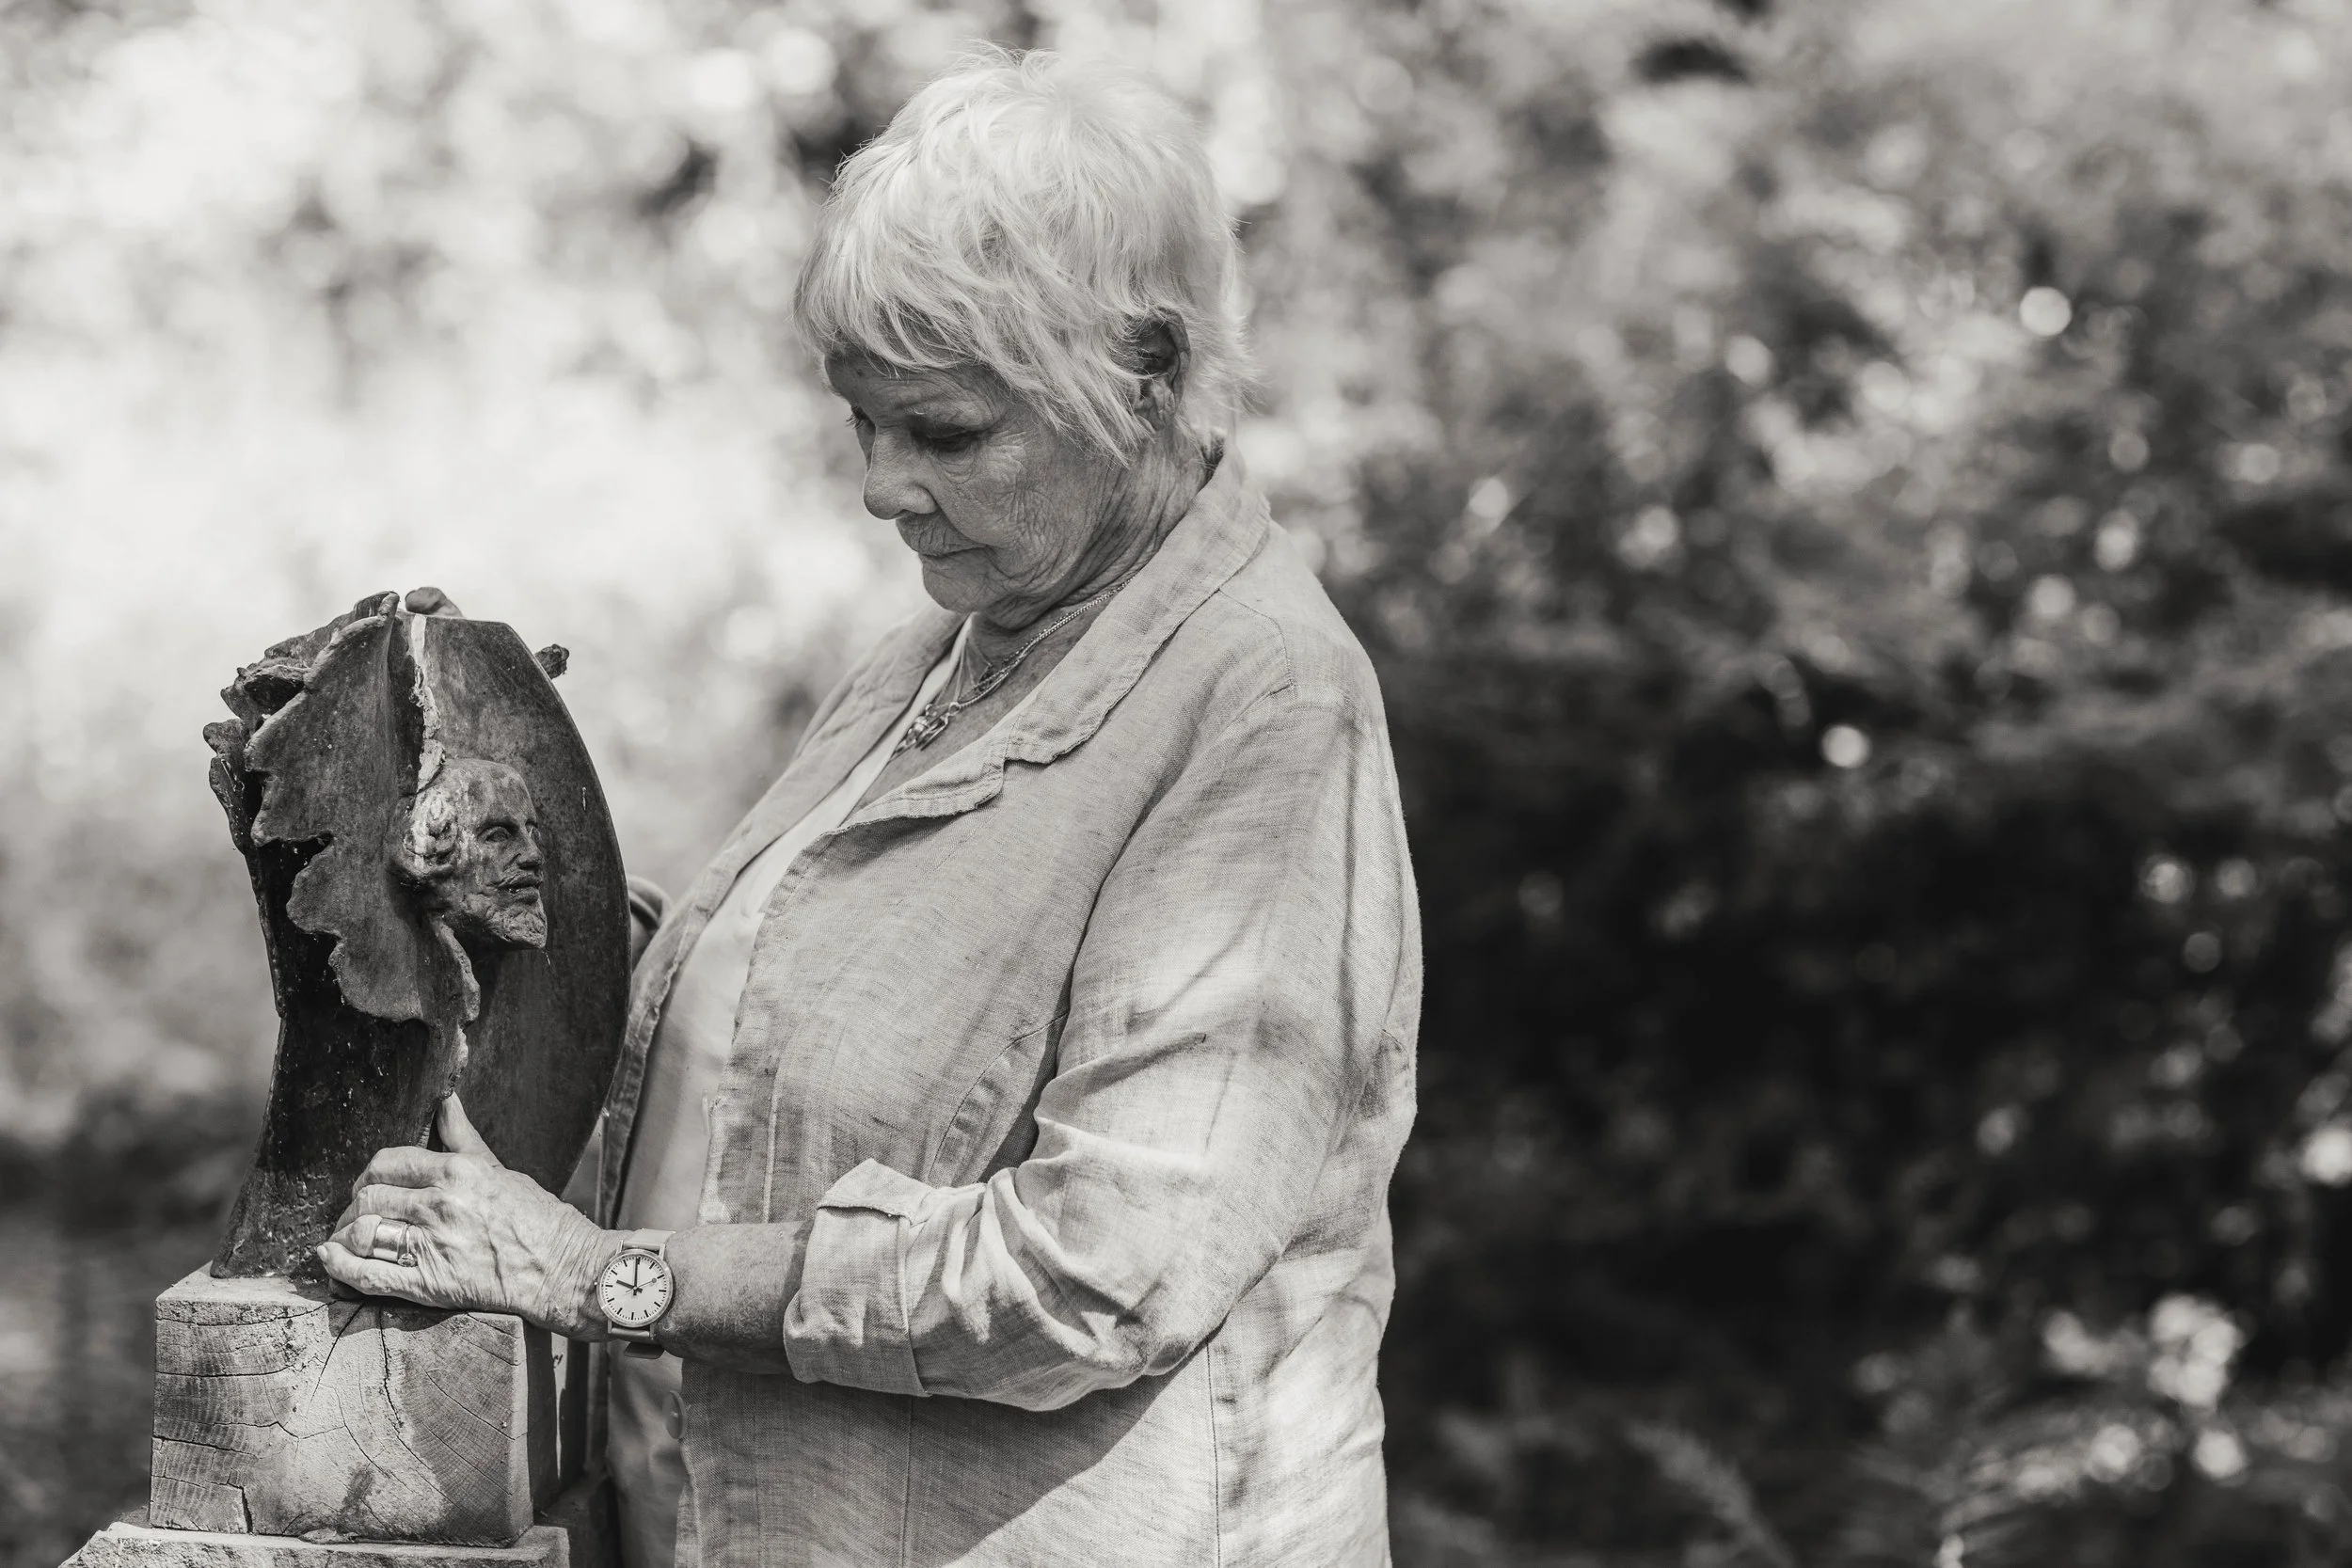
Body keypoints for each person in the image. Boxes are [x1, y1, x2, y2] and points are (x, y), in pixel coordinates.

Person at [320, 47, 1420, 1568]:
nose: (882, 487)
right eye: (864, 422)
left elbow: (1101, 1274)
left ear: (1146, 374)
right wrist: (535, 913)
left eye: (947, 431)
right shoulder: (960, 637)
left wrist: (605, 1277)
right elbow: (773, 1029)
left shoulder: (1267, 707)